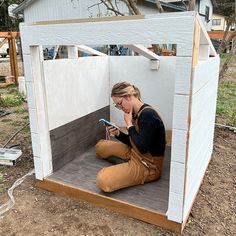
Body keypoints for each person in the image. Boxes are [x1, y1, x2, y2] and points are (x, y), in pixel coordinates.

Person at [95, 82, 166, 192]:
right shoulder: (135, 113)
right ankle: (125, 165)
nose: (120, 108)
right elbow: (134, 141)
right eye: (117, 106)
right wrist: (118, 133)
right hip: (136, 152)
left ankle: (125, 167)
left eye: (119, 103)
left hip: (148, 165)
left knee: (102, 180)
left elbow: (142, 147)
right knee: (100, 146)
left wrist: (129, 125)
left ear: (128, 96)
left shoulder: (148, 115)